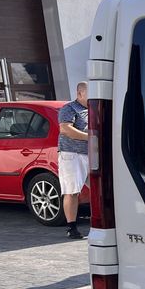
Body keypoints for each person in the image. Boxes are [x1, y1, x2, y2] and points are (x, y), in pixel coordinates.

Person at [57, 81, 89, 239]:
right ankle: (72, 228)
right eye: (90, 93)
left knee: (101, 189)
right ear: (80, 93)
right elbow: (65, 129)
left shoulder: (95, 109)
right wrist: (92, 137)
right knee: (72, 191)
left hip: (92, 155)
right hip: (71, 155)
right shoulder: (69, 108)